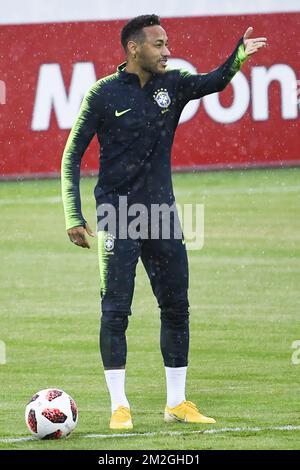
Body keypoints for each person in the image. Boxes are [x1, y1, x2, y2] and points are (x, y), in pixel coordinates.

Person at [61, 14, 267, 430]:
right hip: (117, 216)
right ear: (133, 48)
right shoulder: (102, 94)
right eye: (159, 44)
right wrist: (73, 215)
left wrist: (238, 57)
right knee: (116, 311)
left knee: (176, 308)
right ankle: (120, 406)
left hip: (163, 216)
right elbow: (71, 157)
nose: (168, 51)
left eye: (167, 43)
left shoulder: (172, 85)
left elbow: (214, 81)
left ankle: (177, 402)